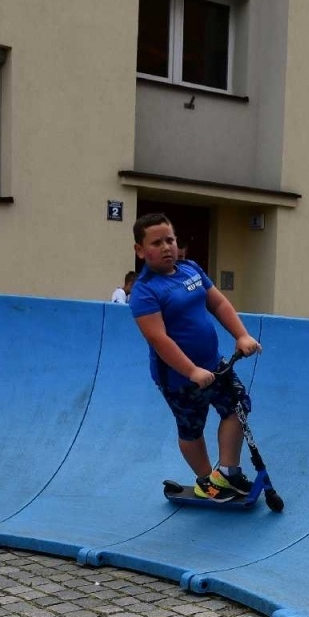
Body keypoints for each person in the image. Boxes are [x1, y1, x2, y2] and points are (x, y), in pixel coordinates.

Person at [128, 213, 262, 501]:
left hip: (215, 365)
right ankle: (205, 481)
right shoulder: (145, 291)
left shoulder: (190, 269)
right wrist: (191, 371)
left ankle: (227, 472)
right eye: (156, 243)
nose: (166, 247)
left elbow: (218, 302)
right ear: (140, 250)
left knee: (237, 406)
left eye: (170, 240)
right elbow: (158, 339)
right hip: (180, 378)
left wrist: (242, 335)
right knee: (192, 428)